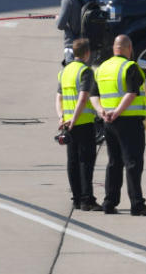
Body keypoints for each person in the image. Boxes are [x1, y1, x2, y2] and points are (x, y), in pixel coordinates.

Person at [91, 35, 146, 215]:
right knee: (133, 163)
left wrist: (101, 111)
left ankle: (109, 202)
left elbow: (93, 95)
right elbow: (131, 93)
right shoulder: (130, 67)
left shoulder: (102, 68)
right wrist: (118, 111)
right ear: (129, 48)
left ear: (115, 48)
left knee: (114, 162)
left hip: (108, 122)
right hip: (128, 122)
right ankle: (137, 204)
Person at [55, 38, 101, 211]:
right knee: (86, 162)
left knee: (72, 161)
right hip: (83, 123)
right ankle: (87, 199)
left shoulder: (64, 72)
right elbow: (83, 98)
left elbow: (58, 98)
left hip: (67, 124)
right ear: (87, 53)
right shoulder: (85, 72)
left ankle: (76, 198)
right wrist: (74, 119)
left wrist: (62, 117)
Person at [56, 0, 94, 65]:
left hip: (73, 46)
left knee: (71, 76)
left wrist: (58, 19)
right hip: (89, 45)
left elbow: (60, 25)